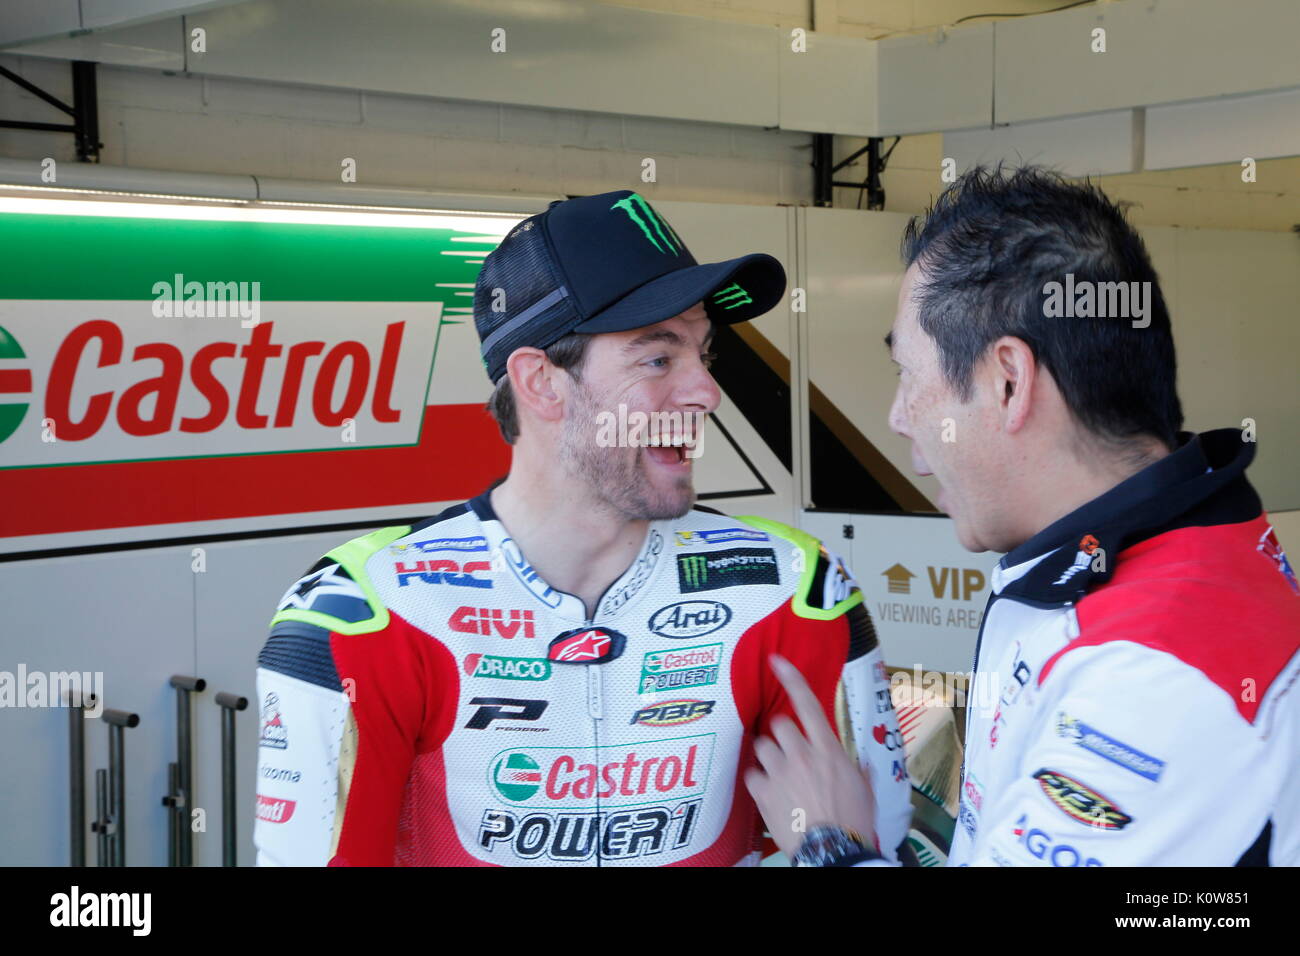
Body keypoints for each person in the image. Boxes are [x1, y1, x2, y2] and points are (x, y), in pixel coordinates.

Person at [252, 188, 913, 866]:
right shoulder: (361, 612)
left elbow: (877, 850)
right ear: (540, 384)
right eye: (658, 358)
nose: (707, 393)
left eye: (703, 354)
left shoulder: (792, 592)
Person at [746, 165, 1300, 867]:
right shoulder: (1126, 560)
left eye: (907, 376)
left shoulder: (1152, 675)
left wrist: (832, 847)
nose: (895, 417)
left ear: (1008, 381)